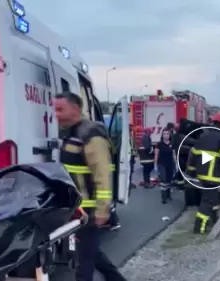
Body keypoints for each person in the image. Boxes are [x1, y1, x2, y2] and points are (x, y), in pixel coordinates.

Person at [55, 92, 127, 281]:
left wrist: (103, 209)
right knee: (91, 252)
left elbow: (103, 175)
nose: (56, 114)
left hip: (88, 209)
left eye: (60, 109)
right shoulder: (71, 133)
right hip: (76, 206)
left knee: (83, 260)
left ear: (75, 109)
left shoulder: (91, 135)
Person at [189, 113, 220, 234]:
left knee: (212, 199)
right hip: (213, 176)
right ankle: (199, 228)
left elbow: (194, 154)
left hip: (201, 175)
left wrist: (192, 171)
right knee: (208, 201)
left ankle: (213, 220)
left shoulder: (203, 136)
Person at [154, 129, 177, 203]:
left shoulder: (172, 144)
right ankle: (163, 197)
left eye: (167, 134)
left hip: (170, 164)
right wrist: (155, 165)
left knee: (169, 181)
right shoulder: (159, 144)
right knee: (163, 181)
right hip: (161, 164)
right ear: (162, 135)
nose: (166, 135)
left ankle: (168, 195)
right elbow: (156, 155)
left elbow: (174, 155)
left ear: (169, 135)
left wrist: (176, 164)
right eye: (164, 134)